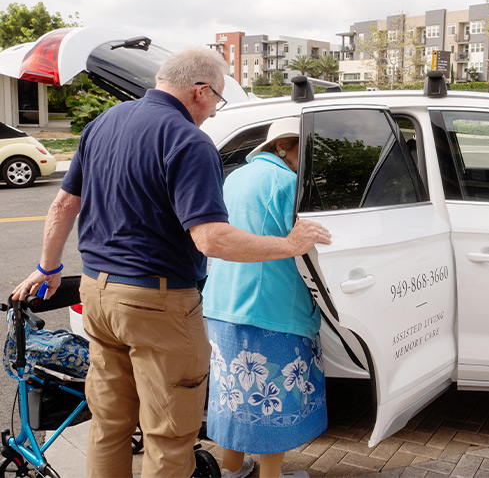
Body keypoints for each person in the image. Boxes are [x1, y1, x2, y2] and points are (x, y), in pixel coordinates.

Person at [11, 48, 331, 478]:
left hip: (97, 296)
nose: (214, 111)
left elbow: (64, 204)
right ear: (200, 91)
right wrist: (289, 244)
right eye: (216, 99)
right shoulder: (189, 141)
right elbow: (212, 239)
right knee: (169, 434)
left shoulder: (103, 123)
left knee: (109, 424)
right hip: (157, 304)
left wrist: (48, 268)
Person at [202, 118, 323, 478]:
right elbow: (304, 245)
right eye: (302, 149)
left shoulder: (235, 177)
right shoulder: (288, 183)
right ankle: (271, 476)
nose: (307, 158)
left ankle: (232, 469)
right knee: (274, 399)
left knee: (234, 395)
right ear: (282, 147)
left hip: (223, 301)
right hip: (272, 305)